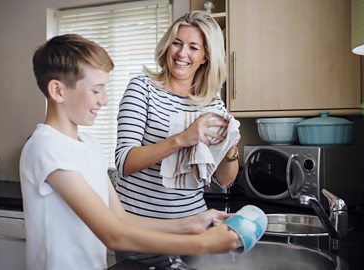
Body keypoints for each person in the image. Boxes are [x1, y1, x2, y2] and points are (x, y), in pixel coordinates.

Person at [19, 34, 240, 270]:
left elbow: (121, 218)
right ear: (58, 91)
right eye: (96, 90)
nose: (104, 100)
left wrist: (193, 223)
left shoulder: (89, 145)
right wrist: (204, 245)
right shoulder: (46, 147)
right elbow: (113, 235)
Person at [114, 10, 241, 265]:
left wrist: (230, 149)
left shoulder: (212, 103)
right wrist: (183, 138)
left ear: (206, 57)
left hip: (193, 234)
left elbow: (223, 181)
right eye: (177, 43)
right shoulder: (142, 88)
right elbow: (124, 162)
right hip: (141, 234)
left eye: (193, 47)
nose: (182, 54)